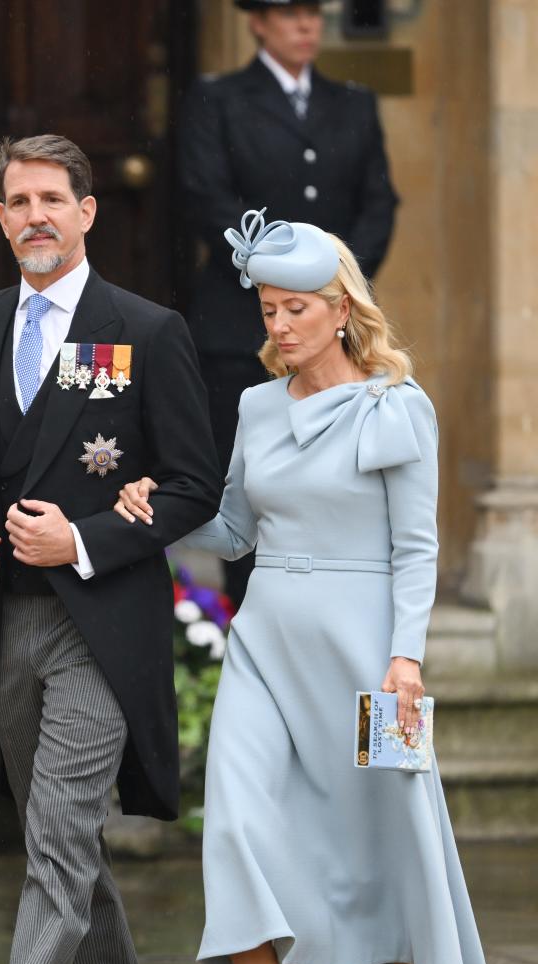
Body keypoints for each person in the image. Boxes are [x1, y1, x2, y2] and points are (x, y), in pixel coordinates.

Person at [114, 209, 488, 964]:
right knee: (235, 824)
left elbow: (415, 549)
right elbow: (235, 529)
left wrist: (406, 657)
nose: (275, 326)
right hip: (267, 636)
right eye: (268, 309)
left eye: (293, 309)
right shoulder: (253, 406)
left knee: (388, 828)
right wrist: (156, 510)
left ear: (341, 311)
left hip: (364, 649)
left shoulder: (397, 406)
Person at [0, 134, 220, 964]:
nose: (34, 216)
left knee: (58, 838)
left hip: (107, 627)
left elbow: (193, 484)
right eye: (17, 200)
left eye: (52, 197)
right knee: (64, 849)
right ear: (2, 217)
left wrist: (85, 539)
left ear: (89, 211)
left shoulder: (145, 328)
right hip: (11, 629)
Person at [178, 0, 398, 608]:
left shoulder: (353, 103)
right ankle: (253, 632)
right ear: (257, 22)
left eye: (313, 14)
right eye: (289, 13)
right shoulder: (218, 99)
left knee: (341, 488)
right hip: (238, 331)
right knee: (252, 490)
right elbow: (208, 200)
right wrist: (289, 289)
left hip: (338, 333)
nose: (307, 26)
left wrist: (333, 290)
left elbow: (378, 205)